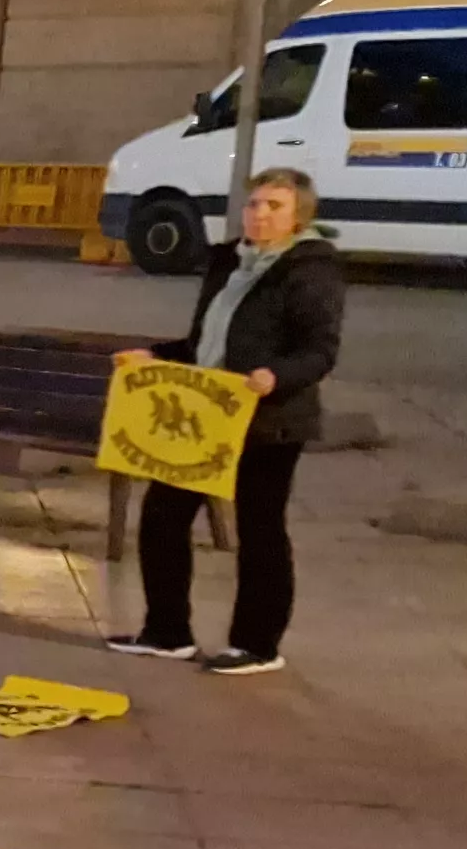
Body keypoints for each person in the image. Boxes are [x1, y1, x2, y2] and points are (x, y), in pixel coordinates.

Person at [109, 168, 342, 675]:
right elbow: (204, 345)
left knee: (260, 529)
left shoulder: (309, 270)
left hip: (270, 420)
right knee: (164, 515)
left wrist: (274, 376)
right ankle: (167, 632)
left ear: (299, 216)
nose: (260, 214)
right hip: (206, 412)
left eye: (274, 206)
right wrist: (155, 354)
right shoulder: (228, 263)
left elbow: (320, 350)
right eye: (255, 203)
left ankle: (257, 644)